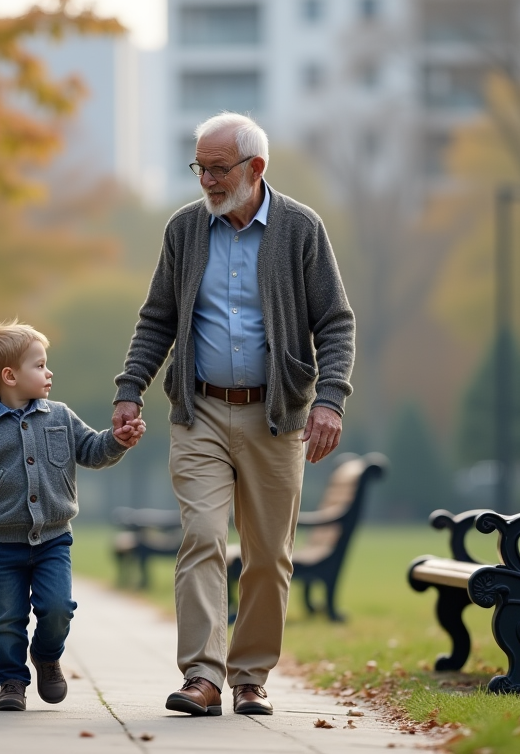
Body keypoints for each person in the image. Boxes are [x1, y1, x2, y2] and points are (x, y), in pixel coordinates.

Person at [111, 112, 355, 717]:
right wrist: (129, 387)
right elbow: (158, 318)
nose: (208, 181)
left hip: (276, 418)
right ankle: (202, 676)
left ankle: (250, 677)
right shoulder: (185, 230)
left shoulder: (300, 229)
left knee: (268, 553)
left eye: (219, 169)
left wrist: (329, 400)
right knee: (200, 538)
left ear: (256, 168)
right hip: (199, 411)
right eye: (200, 168)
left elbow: (335, 322)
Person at [0, 320, 144, 712]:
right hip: (3, 546)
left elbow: (92, 450)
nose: (48, 372)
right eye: (39, 365)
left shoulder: (61, 417)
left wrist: (117, 441)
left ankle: (47, 656)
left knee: (57, 608)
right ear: (10, 376)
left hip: (53, 540)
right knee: (6, 619)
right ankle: (12, 682)